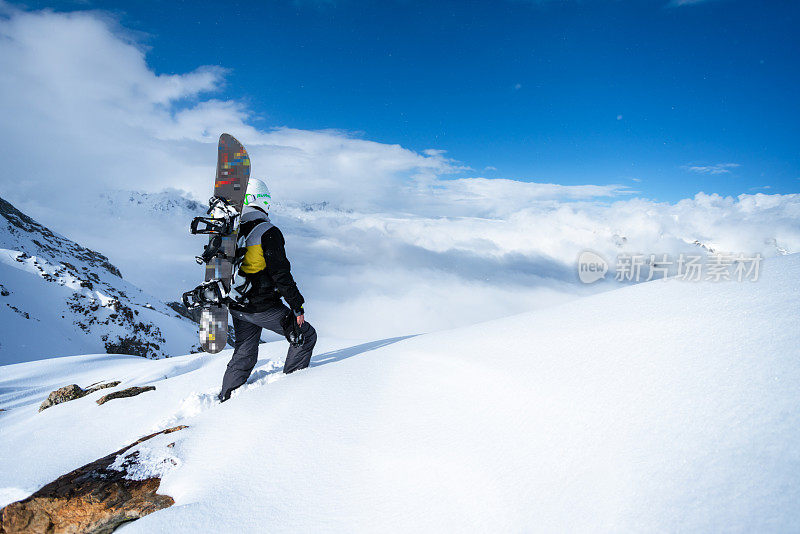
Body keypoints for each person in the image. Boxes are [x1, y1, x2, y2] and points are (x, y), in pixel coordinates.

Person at [218, 179, 317, 402]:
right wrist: (296, 305)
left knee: (244, 351)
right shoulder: (267, 231)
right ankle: (291, 390)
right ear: (262, 201)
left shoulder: (232, 229)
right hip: (261, 307)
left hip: (236, 304)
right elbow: (280, 273)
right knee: (304, 336)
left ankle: (226, 397)